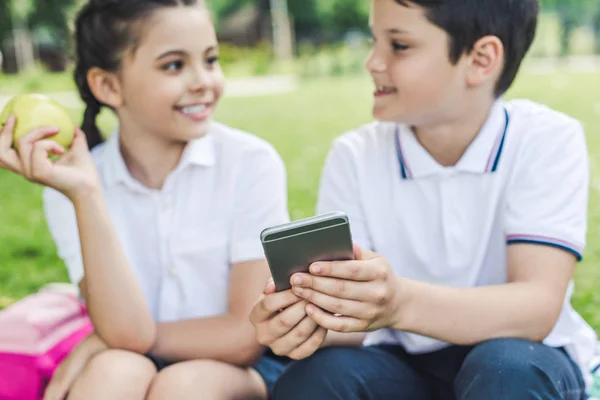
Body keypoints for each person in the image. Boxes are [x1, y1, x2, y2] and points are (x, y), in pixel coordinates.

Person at [250, 0, 597, 398]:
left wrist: (400, 303)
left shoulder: (544, 139)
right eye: (373, 40)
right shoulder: (356, 155)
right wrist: (306, 321)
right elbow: (350, 324)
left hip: (523, 354)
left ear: (481, 60)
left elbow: (536, 307)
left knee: (507, 370)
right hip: (404, 363)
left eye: (398, 46)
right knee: (316, 377)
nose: (373, 62)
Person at [0, 0, 291, 399]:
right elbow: (124, 335)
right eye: (174, 65)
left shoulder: (250, 164)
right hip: (132, 353)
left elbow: (244, 335)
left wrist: (109, 339)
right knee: (112, 373)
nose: (203, 80)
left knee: (183, 385)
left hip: (240, 367)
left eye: (210, 60)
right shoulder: (73, 184)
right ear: (108, 86)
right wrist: (86, 195)